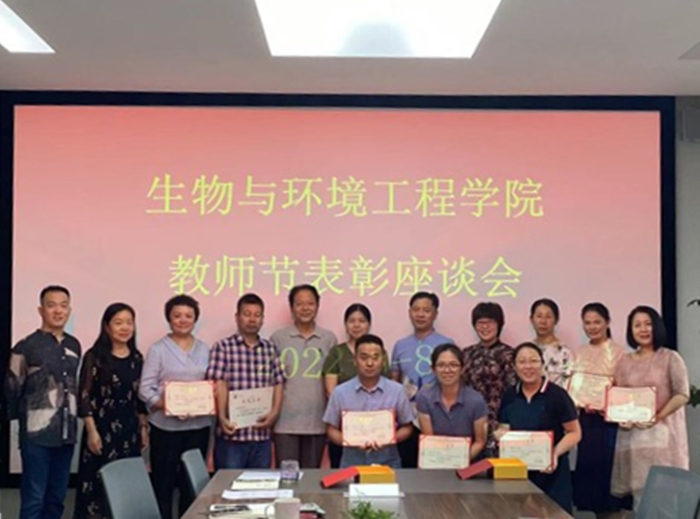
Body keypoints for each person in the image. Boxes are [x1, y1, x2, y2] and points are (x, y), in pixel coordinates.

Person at [4, 286, 81, 519]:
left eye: (63, 305)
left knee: (57, 498)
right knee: (34, 498)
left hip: (66, 433)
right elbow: (12, 388)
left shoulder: (74, 345)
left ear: (69, 310)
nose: (58, 310)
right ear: (41, 310)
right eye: (51, 305)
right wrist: (24, 422)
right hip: (36, 434)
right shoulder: (25, 346)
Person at [138, 294, 212, 519]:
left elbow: (212, 385)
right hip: (165, 429)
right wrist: (168, 405)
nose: (183, 320)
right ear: (169, 318)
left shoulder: (205, 349)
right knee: (164, 485)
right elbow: (145, 389)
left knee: (192, 485)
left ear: (195, 319)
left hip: (198, 428)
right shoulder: (158, 349)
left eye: (188, 316)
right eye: (177, 315)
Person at [74, 303, 148, 519]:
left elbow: (140, 398)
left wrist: (143, 428)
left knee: (126, 489)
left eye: (129, 322)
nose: (124, 327)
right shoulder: (94, 356)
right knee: (96, 489)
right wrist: (92, 432)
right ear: (107, 326)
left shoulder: (137, 358)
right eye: (118, 323)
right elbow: (84, 397)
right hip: (101, 431)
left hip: (129, 433)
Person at [610, 306, 690, 508]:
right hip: (634, 443)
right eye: (637, 325)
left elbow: (682, 394)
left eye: (648, 324)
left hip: (664, 444)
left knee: (665, 503)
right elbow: (618, 399)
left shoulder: (670, 357)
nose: (643, 329)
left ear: (657, 326)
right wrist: (620, 416)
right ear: (631, 330)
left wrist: (657, 415)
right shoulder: (624, 362)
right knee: (641, 503)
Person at [496, 342, 581, 514]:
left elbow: (575, 432)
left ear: (542, 364)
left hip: (553, 474)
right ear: (514, 367)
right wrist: (500, 436)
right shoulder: (510, 395)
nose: (528, 366)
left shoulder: (557, 395)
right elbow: (504, 428)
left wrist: (554, 453)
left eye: (533, 361)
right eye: (522, 361)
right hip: (519, 474)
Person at [206, 293, 284, 469]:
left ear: (262, 319)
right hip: (232, 436)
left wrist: (274, 414)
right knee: (228, 484)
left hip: (261, 435)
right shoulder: (223, 347)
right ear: (237, 317)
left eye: (257, 315)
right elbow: (218, 384)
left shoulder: (270, 349)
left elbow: (278, 383)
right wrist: (222, 417)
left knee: (260, 484)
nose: (252, 319)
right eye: (247, 314)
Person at [571, 302, 631, 519]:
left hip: (611, 426)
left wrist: (608, 403)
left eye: (597, 322)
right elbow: (575, 389)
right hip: (586, 424)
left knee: (611, 486)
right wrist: (579, 401)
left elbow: (626, 391)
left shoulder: (620, 354)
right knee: (592, 484)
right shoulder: (579, 352)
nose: (592, 327)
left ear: (607, 322)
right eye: (587, 323)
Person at [324, 334, 415, 468]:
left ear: (383, 360)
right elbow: (331, 430)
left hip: (388, 463)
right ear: (355, 360)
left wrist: (388, 439)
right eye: (364, 357)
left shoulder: (397, 390)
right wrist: (351, 441)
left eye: (375, 357)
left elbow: (407, 427)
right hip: (351, 464)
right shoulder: (340, 392)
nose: (370, 363)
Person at [272, 284, 337, 468]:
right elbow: (272, 382)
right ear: (292, 307)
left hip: (317, 422)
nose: (305, 308)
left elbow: (332, 383)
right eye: (299, 304)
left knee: (311, 478)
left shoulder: (329, 339)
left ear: (317, 306)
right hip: (284, 423)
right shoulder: (278, 338)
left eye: (310, 303)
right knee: (287, 478)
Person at [322, 303, 390, 468]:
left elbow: (388, 388)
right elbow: (331, 391)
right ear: (345, 325)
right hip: (344, 426)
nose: (357, 325)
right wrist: (353, 425)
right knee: (343, 473)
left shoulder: (380, 352)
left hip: (377, 428)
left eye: (362, 321)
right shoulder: (336, 352)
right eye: (352, 321)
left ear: (369, 324)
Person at [391, 291, 454, 468]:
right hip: (407, 419)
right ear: (409, 312)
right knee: (407, 469)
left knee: (436, 468)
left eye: (426, 310)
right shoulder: (400, 345)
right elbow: (394, 382)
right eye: (416, 309)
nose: (420, 314)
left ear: (435, 314)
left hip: (438, 416)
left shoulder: (446, 344)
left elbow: (453, 382)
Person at [416, 344, 488, 461]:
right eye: (441, 365)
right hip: (435, 460)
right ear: (433, 369)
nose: (447, 370)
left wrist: (459, 461)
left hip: (468, 462)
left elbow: (480, 442)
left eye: (453, 365)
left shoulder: (476, 400)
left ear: (462, 369)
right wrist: (443, 462)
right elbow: (429, 439)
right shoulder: (424, 397)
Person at [461, 302, 516, 457]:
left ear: (499, 324)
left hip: (500, 421)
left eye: (490, 322)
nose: (485, 327)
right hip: (470, 420)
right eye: (480, 323)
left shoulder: (509, 354)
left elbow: (512, 392)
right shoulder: (466, 354)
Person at [529, 298, 574, 387]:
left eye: (548, 317)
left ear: (556, 320)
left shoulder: (565, 352)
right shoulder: (527, 350)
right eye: (539, 316)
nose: (543, 321)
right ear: (531, 319)